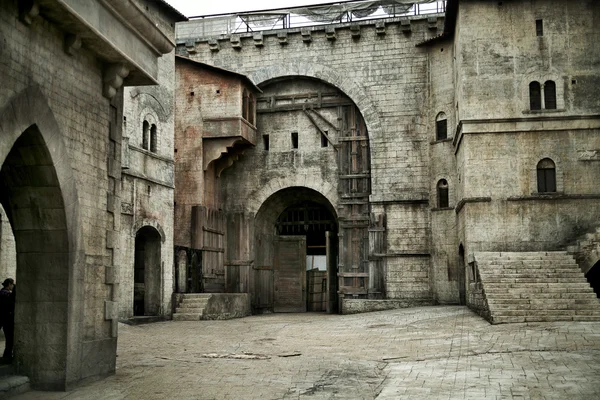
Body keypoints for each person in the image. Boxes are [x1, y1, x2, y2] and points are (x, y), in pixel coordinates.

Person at [0, 278, 15, 363]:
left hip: (4, 319)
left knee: (9, 338)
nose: (12, 286)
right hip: (6, 319)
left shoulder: (3, 292)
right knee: (9, 338)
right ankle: (7, 356)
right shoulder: (4, 294)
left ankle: (7, 355)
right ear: (9, 284)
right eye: (12, 284)